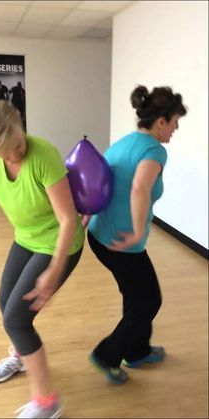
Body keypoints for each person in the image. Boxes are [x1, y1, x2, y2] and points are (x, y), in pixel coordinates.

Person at [0, 100, 85, 418]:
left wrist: (55, 268)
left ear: (22, 127)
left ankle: (48, 402)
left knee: (16, 319)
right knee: (4, 301)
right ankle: (23, 355)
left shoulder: (44, 155)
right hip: (27, 238)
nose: (14, 154)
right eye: (5, 150)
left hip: (59, 243)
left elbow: (67, 220)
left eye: (18, 144)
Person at [82, 85, 187, 384]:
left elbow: (100, 178)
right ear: (161, 121)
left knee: (135, 294)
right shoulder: (155, 149)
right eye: (174, 123)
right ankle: (107, 355)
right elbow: (140, 188)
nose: (174, 130)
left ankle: (138, 350)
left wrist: (89, 213)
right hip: (121, 241)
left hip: (101, 235)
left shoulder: (123, 143)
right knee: (149, 300)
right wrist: (138, 231)